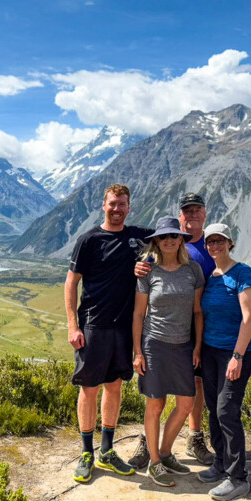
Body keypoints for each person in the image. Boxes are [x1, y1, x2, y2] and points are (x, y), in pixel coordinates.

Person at [65, 183, 154, 483]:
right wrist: (72, 325)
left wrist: (148, 265)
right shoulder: (88, 240)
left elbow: (169, 244)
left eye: (122, 204)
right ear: (103, 205)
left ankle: (107, 450)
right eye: (112, 204)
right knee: (89, 389)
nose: (117, 209)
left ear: (129, 207)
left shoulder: (139, 237)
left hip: (123, 328)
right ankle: (86, 452)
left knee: (114, 386)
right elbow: (71, 283)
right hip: (93, 325)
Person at [129, 193, 215, 469]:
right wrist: (137, 351)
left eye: (196, 210)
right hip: (158, 336)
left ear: (204, 214)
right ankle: (151, 450)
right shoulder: (150, 268)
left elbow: (200, 308)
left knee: (191, 392)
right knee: (156, 400)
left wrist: (199, 345)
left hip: (191, 334)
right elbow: (139, 312)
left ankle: (181, 443)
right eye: (187, 211)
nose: (192, 215)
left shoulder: (208, 248)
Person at [197, 223, 251, 501]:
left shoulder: (244, 273)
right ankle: (220, 463)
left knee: (226, 411)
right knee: (213, 408)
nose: (214, 246)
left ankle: (237, 478)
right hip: (211, 351)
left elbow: (249, 317)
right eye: (210, 241)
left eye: (220, 241)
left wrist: (237, 356)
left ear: (230, 243)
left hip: (236, 353)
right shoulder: (211, 275)